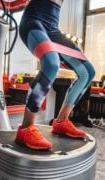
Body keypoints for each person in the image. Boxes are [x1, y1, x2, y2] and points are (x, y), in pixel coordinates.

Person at [15, 0, 95, 150]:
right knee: (52, 64)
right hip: (34, 20)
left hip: (53, 28)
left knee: (88, 72)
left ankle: (61, 121)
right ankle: (25, 129)